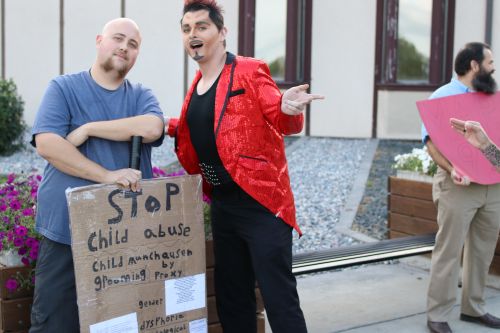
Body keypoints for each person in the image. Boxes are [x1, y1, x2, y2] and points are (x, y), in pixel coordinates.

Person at [166, 1, 323, 332]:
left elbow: (279, 116)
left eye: (201, 27)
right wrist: (163, 125)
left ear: (222, 33)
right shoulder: (195, 86)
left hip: (261, 205)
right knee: (232, 296)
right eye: (186, 29)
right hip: (223, 205)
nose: (192, 35)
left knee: (278, 297)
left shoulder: (249, 71)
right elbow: (194, 129)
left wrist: (289, 108)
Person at [29, 18, 164, 332]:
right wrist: (106, 175)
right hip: (66, 231)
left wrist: (89, 129)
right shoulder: (63, 87)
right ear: (99, 40)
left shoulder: (141, 94)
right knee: (54, 322)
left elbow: (152, 127)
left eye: (133, 45)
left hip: (124, 239)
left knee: (119, 323)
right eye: (118, 38)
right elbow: (48, 144)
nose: (125, 48)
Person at [422, 42, 500, 333]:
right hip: (457, 187)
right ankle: (437, 314)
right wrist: (452, 168)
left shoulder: (490, 97)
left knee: (483, 250)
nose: (494, 67)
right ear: (475, 65)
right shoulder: (442, 96)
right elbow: (430, 144)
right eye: (490, 62)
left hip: (493, 187)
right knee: (449, 250)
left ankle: (474, 308)